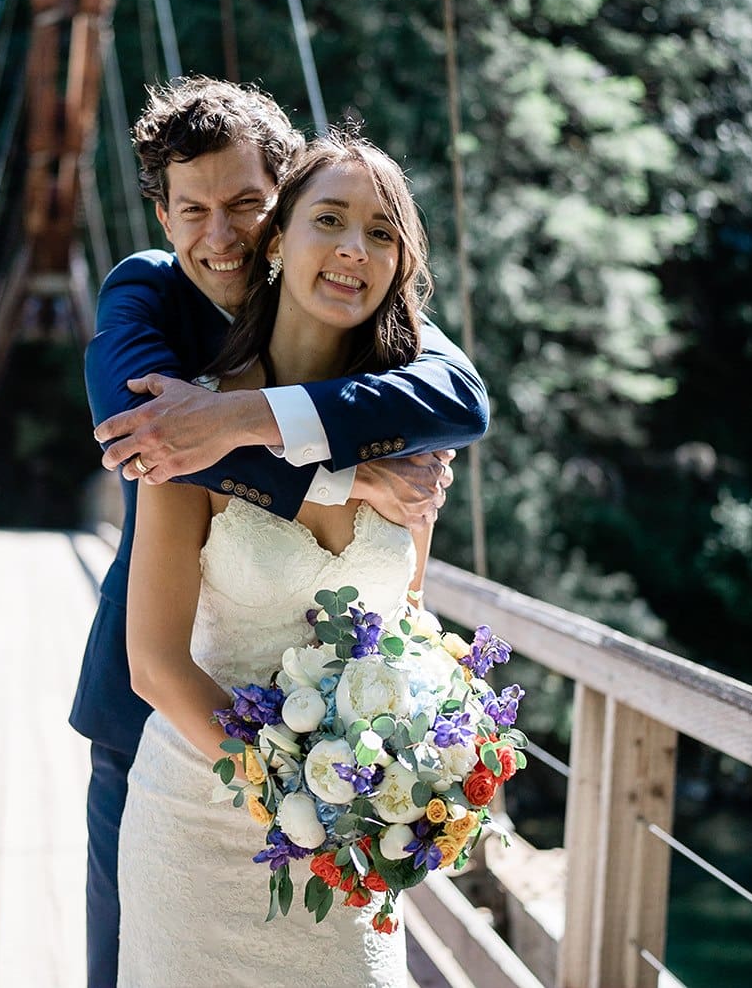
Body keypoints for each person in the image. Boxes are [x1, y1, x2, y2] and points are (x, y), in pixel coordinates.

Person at [75, 77, 489, 986]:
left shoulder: (401, 406)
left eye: (245, 205)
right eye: (193, 210)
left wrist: (384, 780)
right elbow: (154, 438)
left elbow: (462, 411)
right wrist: (334, 470)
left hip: (338, 813)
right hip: (168, 747)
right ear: (165, 215)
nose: (219, 235)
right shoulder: (150, 303)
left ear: (277, 209)